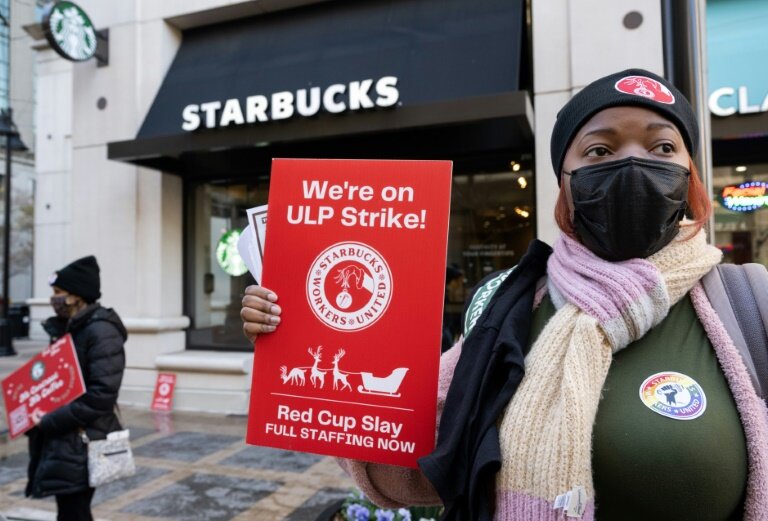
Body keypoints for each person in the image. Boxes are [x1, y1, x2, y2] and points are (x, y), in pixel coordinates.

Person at [240, 69, 768, 521]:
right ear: (566, 183)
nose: (632, 164)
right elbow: (411, 459)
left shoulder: (750, 303)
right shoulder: (510, 307)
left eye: (661, 147)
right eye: (600, 149)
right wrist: (303, 332)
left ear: (689, 175)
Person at [25, 256, 128, 521]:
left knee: (75, 511)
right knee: (71, 511)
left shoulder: (101, 332)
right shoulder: (71, 329)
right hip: (66, 440)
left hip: (83, 440)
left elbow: (101, 396)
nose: (54, 299)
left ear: (78, 296)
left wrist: (49, 421)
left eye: (59, 293)